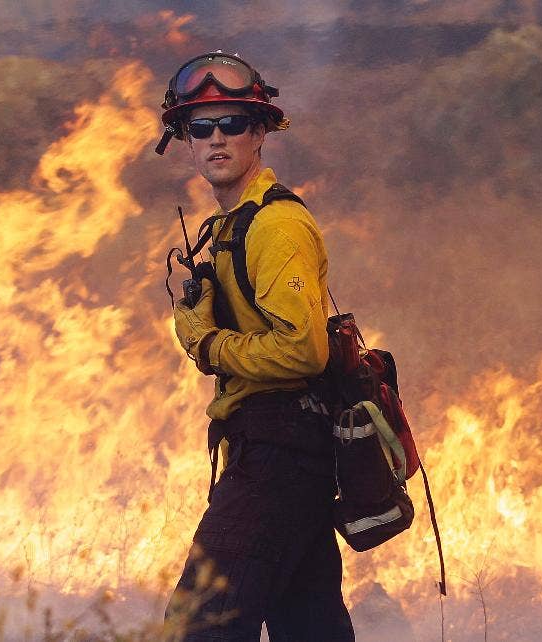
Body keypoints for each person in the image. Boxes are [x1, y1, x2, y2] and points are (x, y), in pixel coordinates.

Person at [161, 52, 356, 642]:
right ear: (184, 141)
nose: (216, 139)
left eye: (233, 124)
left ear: (261, 133)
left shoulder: (275, 226)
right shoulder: (229, 226)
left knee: (201, 626)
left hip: (280, 455)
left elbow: (304, 352)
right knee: (309, 625)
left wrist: (212, 345)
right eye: (200, 127)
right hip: (274, 448)